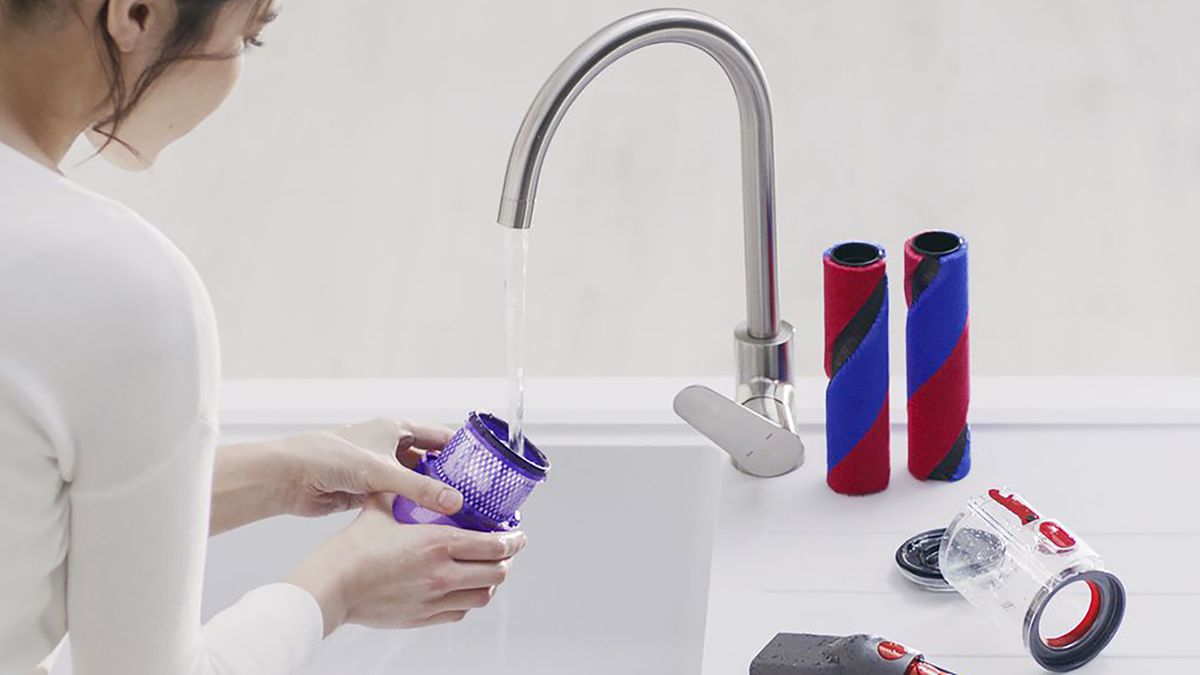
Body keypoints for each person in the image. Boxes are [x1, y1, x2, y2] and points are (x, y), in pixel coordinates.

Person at [0, 1, 527, 673]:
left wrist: (281, 473)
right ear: (134, 12)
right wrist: (336, 585)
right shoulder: (121, 288)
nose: (240, 65)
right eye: (250, 33)